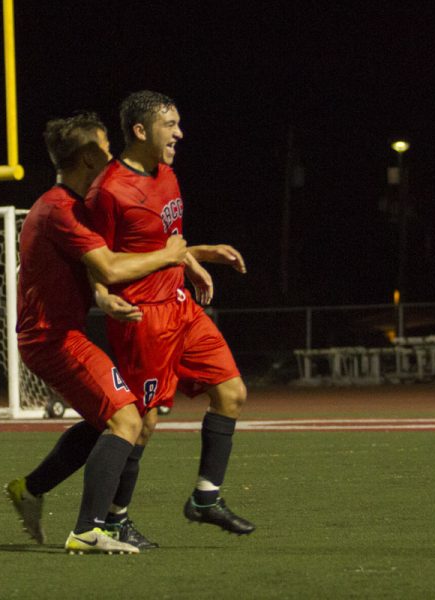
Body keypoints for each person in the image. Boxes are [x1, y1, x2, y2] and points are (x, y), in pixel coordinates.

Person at [8, 113, 188, 554]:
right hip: (51, 338)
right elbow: (109, 264)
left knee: (107, 419)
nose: (115, 158)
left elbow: (106, 260)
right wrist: (170, 256)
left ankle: (30, 489)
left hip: (62, 332)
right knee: (126, 419)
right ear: (89, 157)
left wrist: (183, 256)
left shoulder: (70, 205)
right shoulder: (59, 209)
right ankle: (90, 530)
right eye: (108, 150)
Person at [85, 90, 255, 535]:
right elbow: (93, 256)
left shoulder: (167, 174)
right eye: (170, 125)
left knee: (232, 392)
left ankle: (205, 498)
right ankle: (116, 519)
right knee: (142, 424)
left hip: (180, 305)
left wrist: (196, 258)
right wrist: (101, 296)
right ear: (140, 131)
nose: (179, 133)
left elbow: (166, 241)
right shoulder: (109, 191)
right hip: (143, 316)